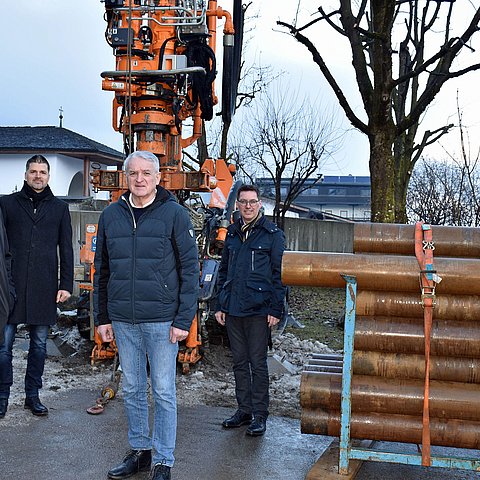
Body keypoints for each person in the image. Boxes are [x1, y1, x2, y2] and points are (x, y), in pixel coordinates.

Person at [93, 150, 199, 480]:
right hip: (123, 320)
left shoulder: (174, 215)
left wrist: (183, 321)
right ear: (126, 178)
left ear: (157, 178)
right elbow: (102, 270)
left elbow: (190, 270)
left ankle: (163, 461)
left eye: (146, 173)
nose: (139, 179)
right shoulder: (111, 216)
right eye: (133, 173)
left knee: (164, 391)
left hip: (162, 321)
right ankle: (140, 452)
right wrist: (102, 318)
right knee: (134, 388)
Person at [0, 154, 73, 418]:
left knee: (39, 346)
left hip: (44, 286)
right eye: (33, 171)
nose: (38, 176)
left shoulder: (59, 208)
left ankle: (33, 396)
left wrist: (66, 284)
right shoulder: (6, 205)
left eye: (42, 172)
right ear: (25, 174)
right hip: (9, 288)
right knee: (3, 347)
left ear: (48, 176)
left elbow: (66, 249)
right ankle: (2, 396)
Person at [215, 184, 286, 436]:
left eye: (252, 202)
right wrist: (220, 304)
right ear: (237, 205)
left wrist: (276, 309)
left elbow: (280, 275)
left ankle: (260, 414)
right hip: (233, 309)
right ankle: (244, 410)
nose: (247, 206)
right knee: (239, 362)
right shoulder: (232, 234)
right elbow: (223, 272)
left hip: (258, 309)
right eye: (243, 201)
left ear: (260, 205)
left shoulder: (272, 235)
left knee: (257, 363)